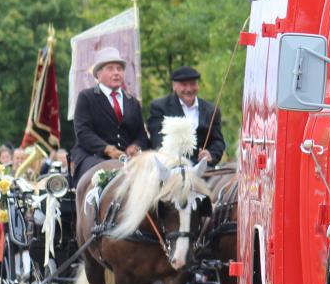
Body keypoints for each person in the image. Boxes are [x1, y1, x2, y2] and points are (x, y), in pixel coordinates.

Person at [70, 47, 151, 184]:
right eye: (110, 69)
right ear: (98, 74)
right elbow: (83, 132)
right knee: (105, 175)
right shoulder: (87, 97)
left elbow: (141, 136)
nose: (116, 73)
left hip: (127, 159)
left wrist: (135, 146)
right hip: (92, 156)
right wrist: (108, 149)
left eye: (119, 69)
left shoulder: (132, 102)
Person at [147, 66, 225, 166]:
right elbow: (157, 140)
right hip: (171, 169)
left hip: (202, 171)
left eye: (193, 84)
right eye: (184, 85)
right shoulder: (159, 107)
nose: (188, 89)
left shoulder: (212, 110)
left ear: (198, 85)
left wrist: (211, 155)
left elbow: (217, 141)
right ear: (174, 86)